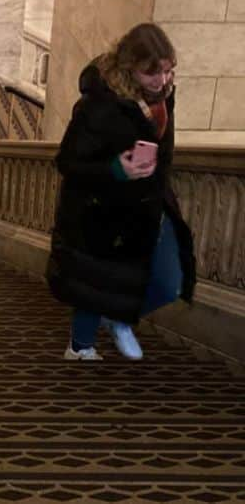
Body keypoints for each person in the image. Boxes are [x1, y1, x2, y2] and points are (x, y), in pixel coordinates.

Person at [48, 23, 195, 362]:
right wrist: (117, 169)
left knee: (169, 282)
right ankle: (81, 349)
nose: (162, 81)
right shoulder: (99, 106)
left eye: (169, 71)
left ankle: (118, 316)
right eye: (152, 73)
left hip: (151, 204)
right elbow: (67, 161)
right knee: (96, 285)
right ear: (130, 68)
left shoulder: (163, 98)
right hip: (103, 213)